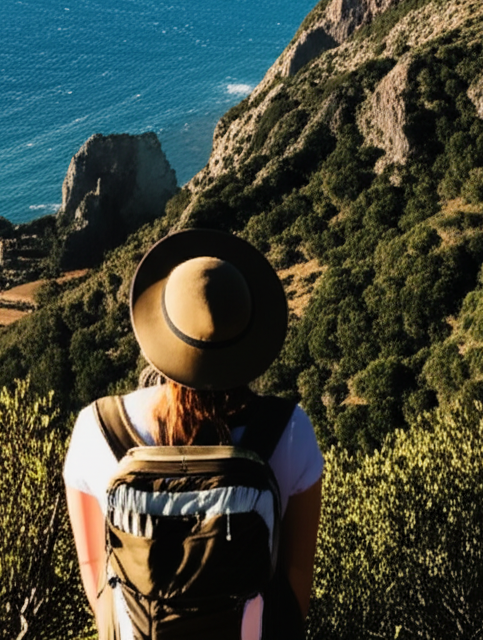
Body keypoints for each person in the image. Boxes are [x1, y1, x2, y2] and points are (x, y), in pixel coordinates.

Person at [64, 229, 323, 640]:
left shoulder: (98, 429)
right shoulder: (289, 430)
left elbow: (93, 569)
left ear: (157, 335)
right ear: (250, 338)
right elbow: (295, 583)